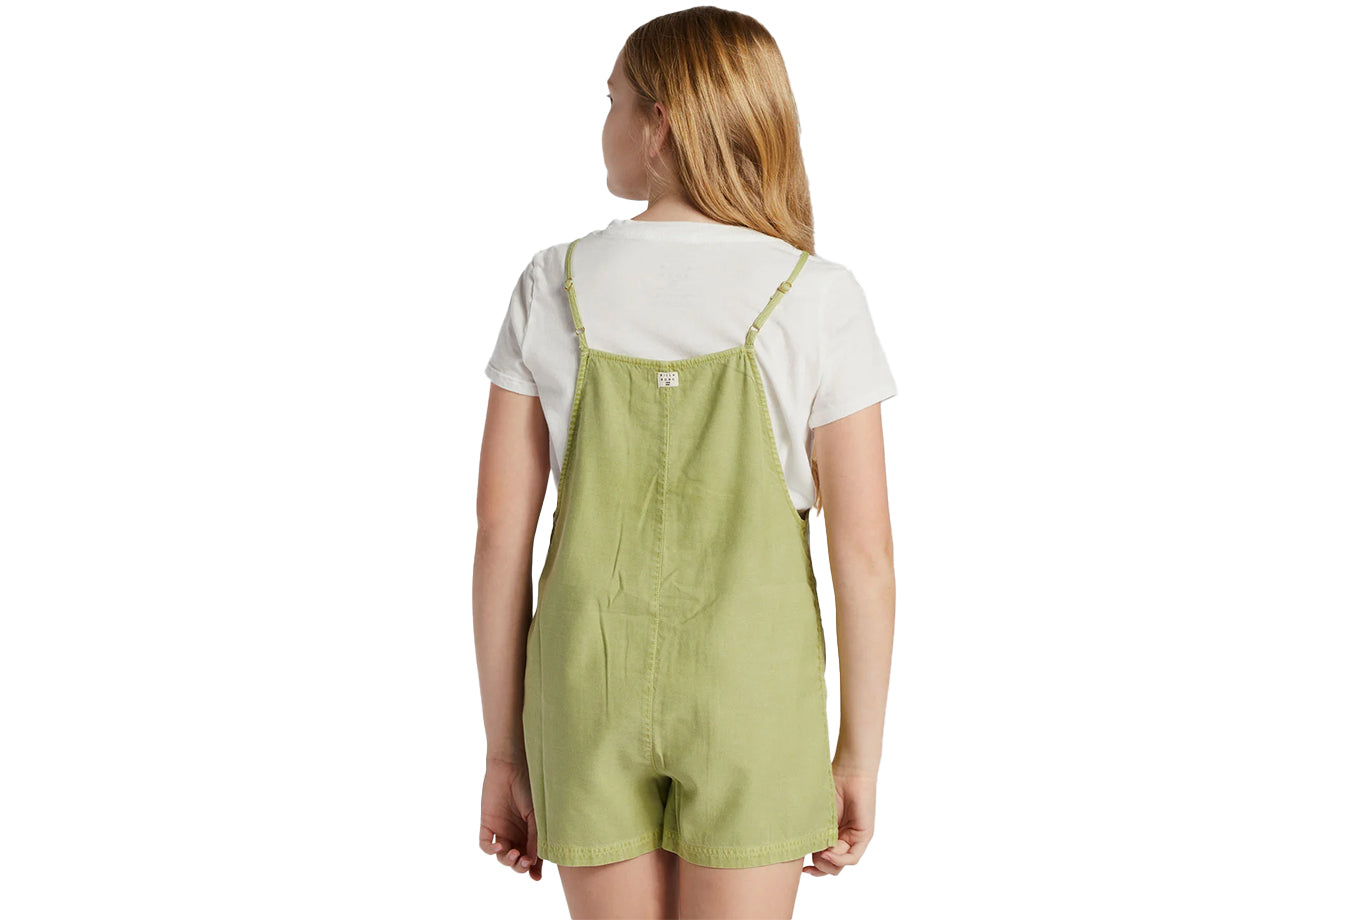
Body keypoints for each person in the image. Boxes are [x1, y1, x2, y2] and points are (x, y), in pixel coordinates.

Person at [472, 7, 896, 917]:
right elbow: (864, 555)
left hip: (585, 689)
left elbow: (501, 532)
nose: (605, 122)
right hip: (755, 698)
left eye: (613, 100)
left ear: (658, 122)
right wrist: (857, 755)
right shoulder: (816, 295)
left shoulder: (552, 283)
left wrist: (504, 751)